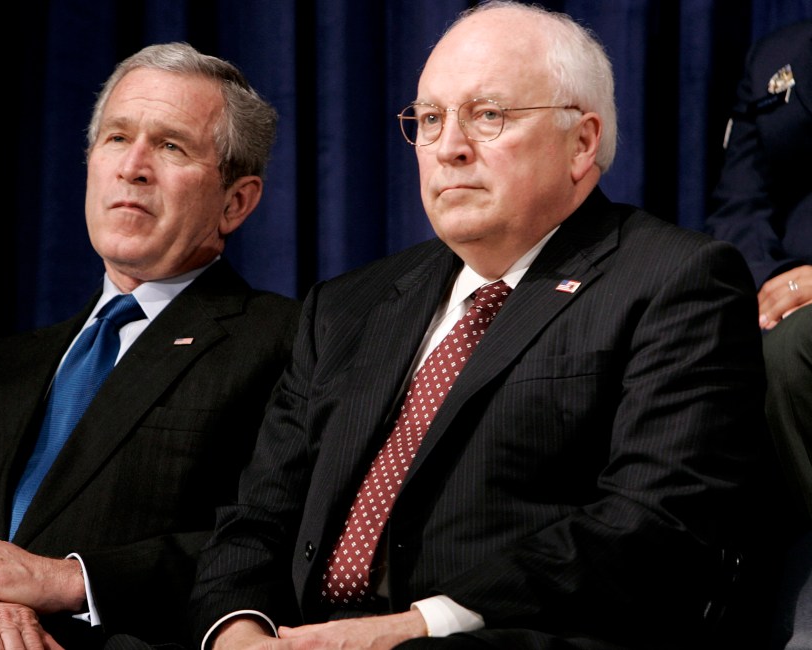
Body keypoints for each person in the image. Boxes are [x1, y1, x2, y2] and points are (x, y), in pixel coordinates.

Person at [182, 3, 779, 650]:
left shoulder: (674, 281)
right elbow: (255, 523)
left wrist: (420, 626)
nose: (450, 148)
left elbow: (655, 523)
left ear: (582, 142)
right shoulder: (346, 307)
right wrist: (238, 634)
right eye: (431, 120)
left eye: (488, 115)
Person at [0, 42, 300, 650]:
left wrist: (67, 580)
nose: (132, 166)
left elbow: (286, 539)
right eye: (115, 138)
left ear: (236, 202)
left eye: (170, 146)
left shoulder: (287, 341)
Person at [704, 19, 812, 650]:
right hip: (779, 289)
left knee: (788, 354)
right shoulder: (778, 56)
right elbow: (740, 201)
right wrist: (768, 284)